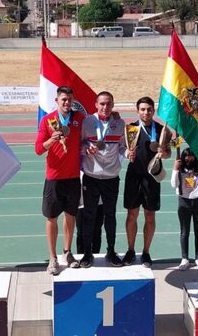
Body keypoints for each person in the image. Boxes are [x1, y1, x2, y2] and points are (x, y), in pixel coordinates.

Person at [35, 86, 84, 275]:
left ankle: (67, 252)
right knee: (52, 217)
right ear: (57, 100)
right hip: (54, 178)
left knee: (70, 216)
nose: (67, 103)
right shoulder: (48, 120)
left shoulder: (79, 119)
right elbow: (39, 149)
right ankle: (53, 258)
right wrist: (51, 140)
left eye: (70, 99)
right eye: (63, 99)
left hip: (72, 177)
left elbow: (87, 137)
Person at [123, 96, 170, 268]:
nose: (146, 112)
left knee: (150, 216)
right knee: (131, 214)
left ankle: (146, 252)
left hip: (152, 178)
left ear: (153, 111)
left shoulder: (162, 129)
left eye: (149, 109)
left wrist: (163, 153)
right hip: (134, 177)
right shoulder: (130, 129)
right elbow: (123, 150)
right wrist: (127, 154)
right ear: (137, 111)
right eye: (142, 109)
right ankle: (130, 250)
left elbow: (169, 153)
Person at [80, 91, 126, 268]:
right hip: (91, 177)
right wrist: (87, 148)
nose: (105, 107)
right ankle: (87, 253)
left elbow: (122, 147)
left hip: (111, 177)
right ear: (96, 105)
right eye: (102, 104)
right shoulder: (88, 122)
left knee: (110, 215)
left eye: (108, 104)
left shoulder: (119, 123)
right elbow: (80, 144)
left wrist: (127, 154)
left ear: (113, 105)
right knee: (89, 216)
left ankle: (111, 251)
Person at [171, 148, 198, 271]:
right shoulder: (180, 169)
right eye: (186, 156)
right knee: (184, 232)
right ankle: (184, 259)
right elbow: (173, 184)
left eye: (191, 156)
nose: (189, 159)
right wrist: (175, 169)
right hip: (184, 203)